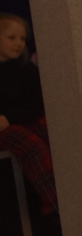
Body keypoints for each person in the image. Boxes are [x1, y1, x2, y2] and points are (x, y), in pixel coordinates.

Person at [0, 14, 56, 215]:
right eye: (11, 38)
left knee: (55, 133)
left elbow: (39, 103)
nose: (19, 43)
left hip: (20, 119)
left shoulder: (25, 68)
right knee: (32, 145)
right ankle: (57, 202)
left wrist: (11, 117)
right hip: (4, 128)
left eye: (22, 38)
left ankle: (66, 195)